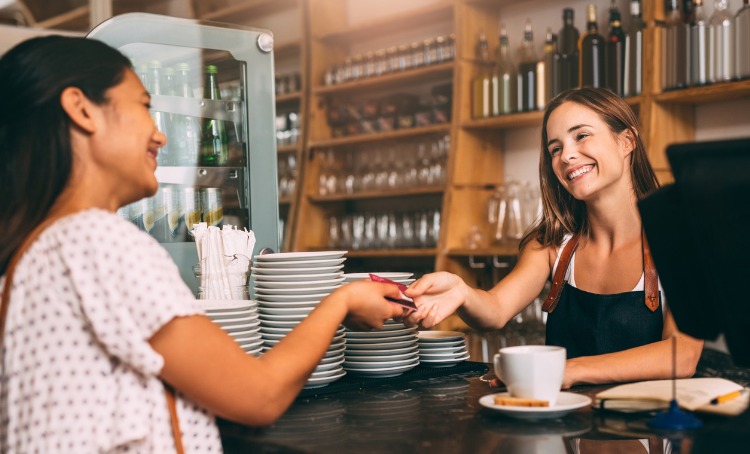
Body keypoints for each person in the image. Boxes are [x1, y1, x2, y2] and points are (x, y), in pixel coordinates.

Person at [0, 36, 406, 453]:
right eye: (143, 106)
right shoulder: (99, 242)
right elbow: (259, 396)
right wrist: (342, 300)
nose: (159, 134)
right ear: (82, 109)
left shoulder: (31, 252)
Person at [404, 87, 704, 389]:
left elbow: (682, 356)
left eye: (581, 136)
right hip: (565, 427)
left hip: (647, 430)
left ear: (626, 141)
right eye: (555, 149)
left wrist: (569, 370)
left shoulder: (678, 241)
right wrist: (462, 292)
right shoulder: (550, 244)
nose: (567, 155)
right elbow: (494, 311)